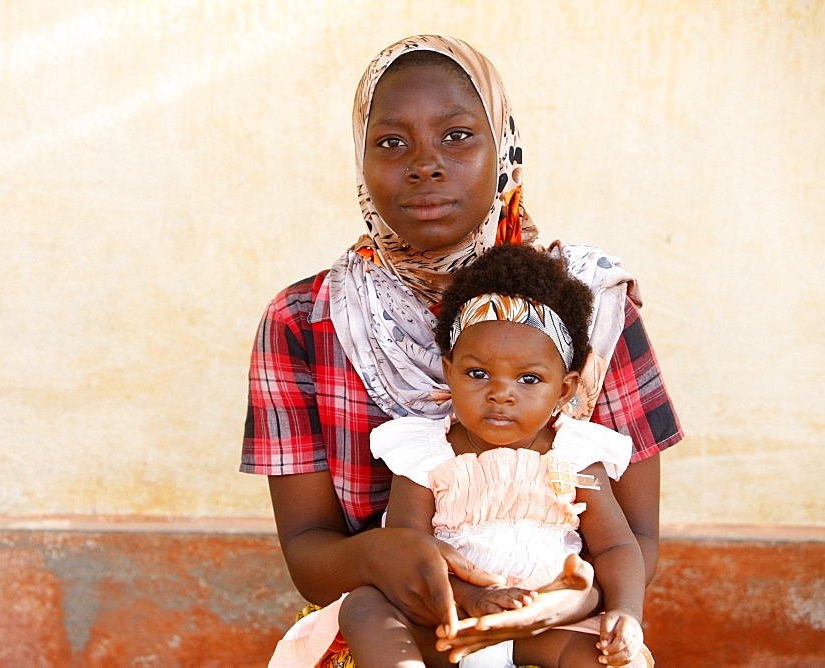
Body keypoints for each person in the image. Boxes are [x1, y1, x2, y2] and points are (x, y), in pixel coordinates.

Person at [243, 34, 682, 665]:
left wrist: (565, 604)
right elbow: (311, 558)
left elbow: (633, 538)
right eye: (392, 142)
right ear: (361, 162)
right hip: (396, 631)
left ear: (503, 147)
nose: (425, 164)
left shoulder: (593, 309)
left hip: (559, 628)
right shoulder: (304, 321)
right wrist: (383, 557)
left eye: (457, 136)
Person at [333, 243, 653, 666]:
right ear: (449, 372)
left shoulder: (577, 455)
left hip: (545, 624)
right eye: (478, 373)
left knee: (603, 657)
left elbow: (615, 546)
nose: (501, 393)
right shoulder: (424, 454)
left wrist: (627, 612)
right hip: (447, 621)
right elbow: (410, 550)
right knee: (362, 607)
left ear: (565, 389)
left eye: (528, 378)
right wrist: (470, 597)